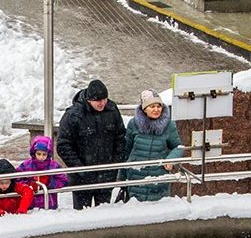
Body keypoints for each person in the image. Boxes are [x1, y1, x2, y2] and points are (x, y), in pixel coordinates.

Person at [57, 79, 126, 210]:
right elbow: (63, 145)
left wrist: (115, 164)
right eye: (98, 101)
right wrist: (80, 169)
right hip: (82, 178)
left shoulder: (111, 110)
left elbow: (120, 137)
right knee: (82, 217)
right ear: (89, 99)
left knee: (104, 216)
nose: (102, 103)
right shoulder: (73, 115)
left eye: (104, 99)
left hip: (106, 176)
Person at [122, 89, 186, 202]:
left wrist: (170, 160)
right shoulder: (134, 123)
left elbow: (178, 147)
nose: (156, 109)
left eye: (158, 106)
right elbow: (127, 150)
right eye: (152, 106)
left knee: (158, 213)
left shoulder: (169, 125)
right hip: (136, 176)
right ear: (144, 109)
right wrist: (122, 176)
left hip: (159, 177)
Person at [16, 136, 68, 210]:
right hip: (30, 203)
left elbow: (63, 180)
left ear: (48, 154)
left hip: (49, 203)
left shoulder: (53, 165)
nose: (41, 157)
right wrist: (29, 184)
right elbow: (17, 179)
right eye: (39, 154)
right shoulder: (26, 165)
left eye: (44, 154)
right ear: (34, 152)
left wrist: (50, 182)